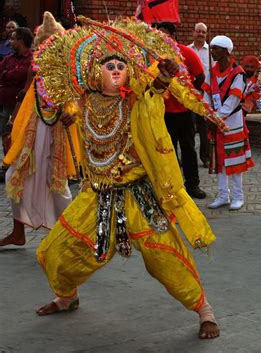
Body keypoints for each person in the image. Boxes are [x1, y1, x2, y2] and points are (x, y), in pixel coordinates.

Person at [33, 17, 224, 339]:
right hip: (97, 195)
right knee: (57, 250)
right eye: (109, 66)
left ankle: (205, 310)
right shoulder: (85, 101)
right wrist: (66, 114)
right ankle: (67, 296)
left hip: (140, 196)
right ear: (96, 72)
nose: (117, 70)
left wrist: (163, 77)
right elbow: (56, 109)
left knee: (163, 258)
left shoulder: (137, 98)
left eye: (121, 65)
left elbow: (156, 89)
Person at [0, 11, 79, 247]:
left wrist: (72, 112)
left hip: (56, 134)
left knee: (57, 186)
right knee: (14, 175)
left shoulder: (67, 70)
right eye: (43, 46)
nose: (45, 50)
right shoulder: (35, 68)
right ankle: (18, 232)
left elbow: (78, 98)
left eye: (51, 45)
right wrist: (12, 124)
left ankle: (68, 234)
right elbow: (24, 95)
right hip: (33, 131)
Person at [154, 21, 207, 199]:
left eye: (164, 34)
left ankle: (193, 185)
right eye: (158, 34)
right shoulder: (154, 56)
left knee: (189, 148)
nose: (161, 37)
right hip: (163, 112)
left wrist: (189, 92)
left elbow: (200, 76)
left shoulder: (186, 53)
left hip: (184, 111)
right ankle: (174, 187)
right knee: (168, 150)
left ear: (173, 36)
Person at [202, 35, 254, 210]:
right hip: (216, 122)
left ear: (226, 51)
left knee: (235, 160)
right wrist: (208, 113)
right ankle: (223, 195)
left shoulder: (238, 73)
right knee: (220, 161)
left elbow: (232, 101)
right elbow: (206, 95)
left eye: (216, 48)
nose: (212, 52)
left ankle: (238, 197)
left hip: (232, 122)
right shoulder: (212, 72)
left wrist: (214, 117)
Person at [0, 26, 33, 171]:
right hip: (5, 104)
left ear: (20, 41)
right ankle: (7, 161)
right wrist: (8, 75)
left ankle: (17, 163)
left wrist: (7, 75)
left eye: (13, 39)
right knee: (5, 133)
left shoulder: (31, 59)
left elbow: (19, 75)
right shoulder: (9, 58)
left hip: (20, 106)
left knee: (18, 134)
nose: (10, 41)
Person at [188, 22, 212, 167]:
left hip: (205, 92)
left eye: (203, 32)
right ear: (193, 32)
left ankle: (206, 157)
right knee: (189, 125)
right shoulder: (187, 50)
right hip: (189, 92)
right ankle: (189, 158)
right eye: (198, 31)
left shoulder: (211, 51)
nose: (200, 34)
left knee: (204, 126)